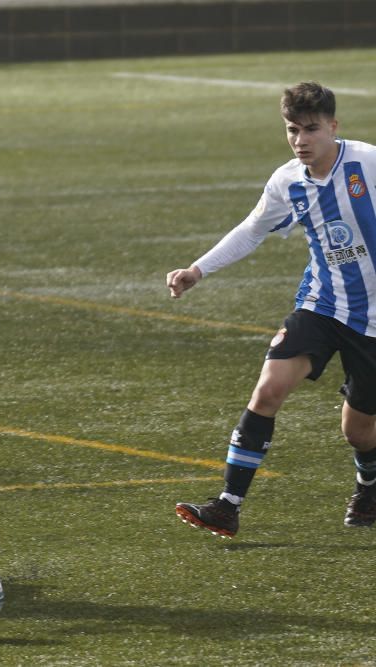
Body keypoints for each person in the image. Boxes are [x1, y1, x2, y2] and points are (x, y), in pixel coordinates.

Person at [168, 81, 376, 537]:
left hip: (374, 324)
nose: (300, 140)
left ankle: (369, 482)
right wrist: (197, 270)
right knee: (268, 389)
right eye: (292, 130)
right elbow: (251, 229)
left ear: (333, 127)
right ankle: (227, 504)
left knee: (359, 431)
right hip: (321, 305)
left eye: (311, 130)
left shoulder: (367, 162)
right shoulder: (288, 181)